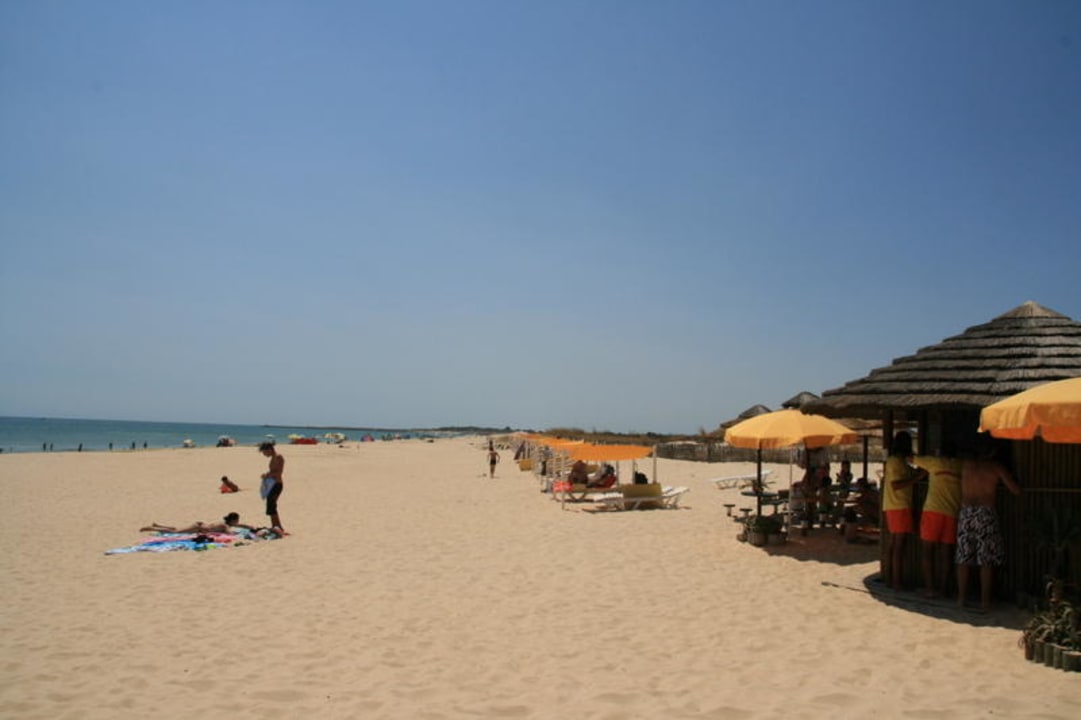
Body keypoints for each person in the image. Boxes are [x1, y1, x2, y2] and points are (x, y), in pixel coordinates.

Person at [956, 439, 1021, 611]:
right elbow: (1015, 489)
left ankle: (961, 599)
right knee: (986, 559)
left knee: (963, 557)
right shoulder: (995, 467)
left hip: (966, 512)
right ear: (991, 452)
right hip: (985, 512)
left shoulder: (966, 466)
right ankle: (985, 602)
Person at [914, 446, 963, 598]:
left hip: (933, 510)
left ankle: (930, 589)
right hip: (952, 512)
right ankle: (943, 589)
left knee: (928, 551)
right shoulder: (960, 465)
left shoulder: (934, 462)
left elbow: (909, 458)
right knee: (946, 553)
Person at [882, 431, 928, 591]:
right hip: (898, 505)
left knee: (894, 544)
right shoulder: (895, 461)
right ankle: (896, 582)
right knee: (898, 545)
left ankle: (890, 579)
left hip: (896, 505)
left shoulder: (899, 461)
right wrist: (917, 478)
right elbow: (896, 485)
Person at [140, 512, 255, 534]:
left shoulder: (227, 523)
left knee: (176, 528)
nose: (238, 522)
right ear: (233, 520)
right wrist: (241, 534)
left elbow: (239, 525)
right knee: (175, 532)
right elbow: (230, 533)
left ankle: (158, 525)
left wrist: (249, 526)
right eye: (237, 520)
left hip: (200, 525)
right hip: (199, 527)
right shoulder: (225, 526)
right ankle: (152, 528)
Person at [259, 441, 285, 533]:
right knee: (270, 506)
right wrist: (267, 474)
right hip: (272, 484)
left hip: (277, 485)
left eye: (264, 452)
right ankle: (275, 526)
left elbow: (279, 473)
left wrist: (267, 475)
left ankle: (278, 527)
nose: (264, 454)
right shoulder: (273, 458)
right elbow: (273, 471)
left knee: (272, 505)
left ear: (269, 449)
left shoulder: (278, 457)